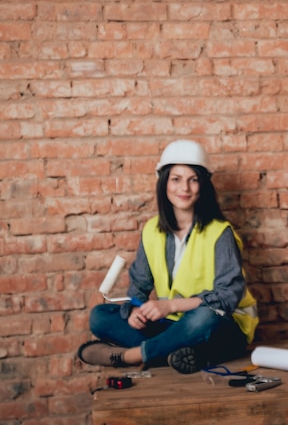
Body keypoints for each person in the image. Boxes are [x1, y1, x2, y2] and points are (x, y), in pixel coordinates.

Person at [78, 139, 258, 374]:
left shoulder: (219, 232)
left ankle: (136, 355)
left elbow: (227, 297)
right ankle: (179, 353)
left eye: (193, 180)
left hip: (223, 325)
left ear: (203, 185)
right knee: (100, 317)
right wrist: (134, 311)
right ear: (164, 183)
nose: (185, 188)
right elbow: (138, 287)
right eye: (176, 179)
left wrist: (170, 305)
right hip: (174, 325)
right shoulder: (152, 230)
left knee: (203, 318)